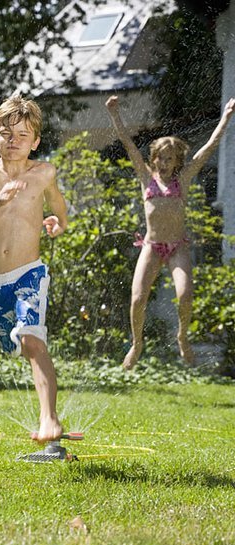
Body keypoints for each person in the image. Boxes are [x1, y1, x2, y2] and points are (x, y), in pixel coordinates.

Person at [0, 94, 68, 442]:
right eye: (6, 134)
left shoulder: (44, 172)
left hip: (29, 275)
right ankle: (45, 409)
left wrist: (57, 224)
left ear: (35, 141)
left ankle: (49, 420)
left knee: (32, 340)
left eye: (23, 135)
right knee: (15, 346)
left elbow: (60, 211)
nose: (14, 141)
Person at [105, 95, 235, 370]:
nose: (164, 163)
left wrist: (225, 117)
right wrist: (114, 113)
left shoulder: (182, 181)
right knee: (138, 297)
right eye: (160, 158)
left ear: (177, 162)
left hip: (177, 246)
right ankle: (136, 344)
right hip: (152, 246)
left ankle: (182, 337)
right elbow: (129, 144)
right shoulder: (146, 178)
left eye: (170, 159)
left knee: (185, 293)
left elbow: (208, 148)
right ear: (153, 159)